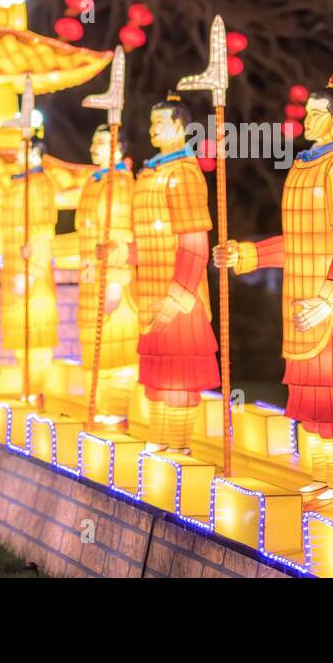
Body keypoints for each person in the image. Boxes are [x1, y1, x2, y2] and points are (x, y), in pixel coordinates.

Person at [214, 74, 333, 505]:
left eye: (317, 113)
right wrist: (246, 255)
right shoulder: (305, 165)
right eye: (307, 111)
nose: (308, 119)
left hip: (331, 311)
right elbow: (298, 242)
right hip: (298, 303)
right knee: (311, 401)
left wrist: (330, 299)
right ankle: (322, 477)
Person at [134, 94, 219, 454]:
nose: (153, 129)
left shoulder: (184, 174)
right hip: (149, 290)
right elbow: (147, 238)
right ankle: (159, 443)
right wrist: (123, 252)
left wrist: (179, 293)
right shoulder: (151, 174)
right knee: (156, 376)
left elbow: (195, 243)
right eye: (152, 123)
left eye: (160, 122)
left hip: (179, 297)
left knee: (179, 378)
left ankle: (179, 448)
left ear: (180, 126)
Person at [72, 124, 139, 426]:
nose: (92, 148)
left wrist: (115, 278)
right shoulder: (94, 182)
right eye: (93, 141)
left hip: (112, 281)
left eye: (100, 142)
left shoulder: (121, 185)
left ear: (117, 147)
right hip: (90, 277)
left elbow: (121, 233)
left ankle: (115, 413)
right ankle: (99, 411)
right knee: (94, 347)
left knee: (114, 349)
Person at [0, 136, 58, 404]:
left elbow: (43, 231)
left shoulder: (41, 185)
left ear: (35, 152)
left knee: (36, 336)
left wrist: (31, 271)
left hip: (33, 277)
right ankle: (27, 389)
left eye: (21, 148)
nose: (15, 153)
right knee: (21, 339)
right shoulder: (16, 186)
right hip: (13, 270)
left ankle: (36, 391)